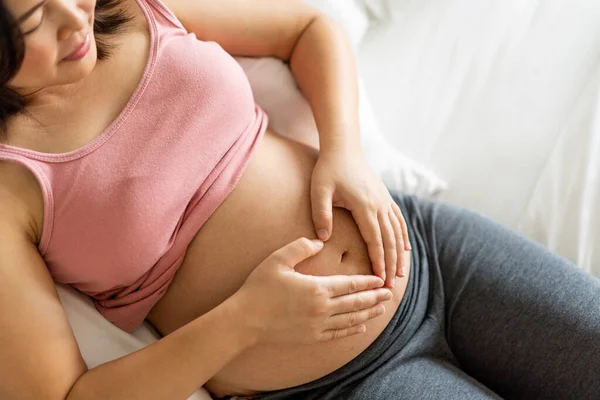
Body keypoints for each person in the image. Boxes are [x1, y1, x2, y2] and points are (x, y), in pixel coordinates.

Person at [0, 0, 598, 399]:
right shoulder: (10, 187)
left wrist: (344, 151)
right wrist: (244, 320)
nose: (75, 23)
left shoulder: (134, 11)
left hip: (434, 251)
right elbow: (70, 396)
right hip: (336, 385)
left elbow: (307, 30)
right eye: (33, 21)